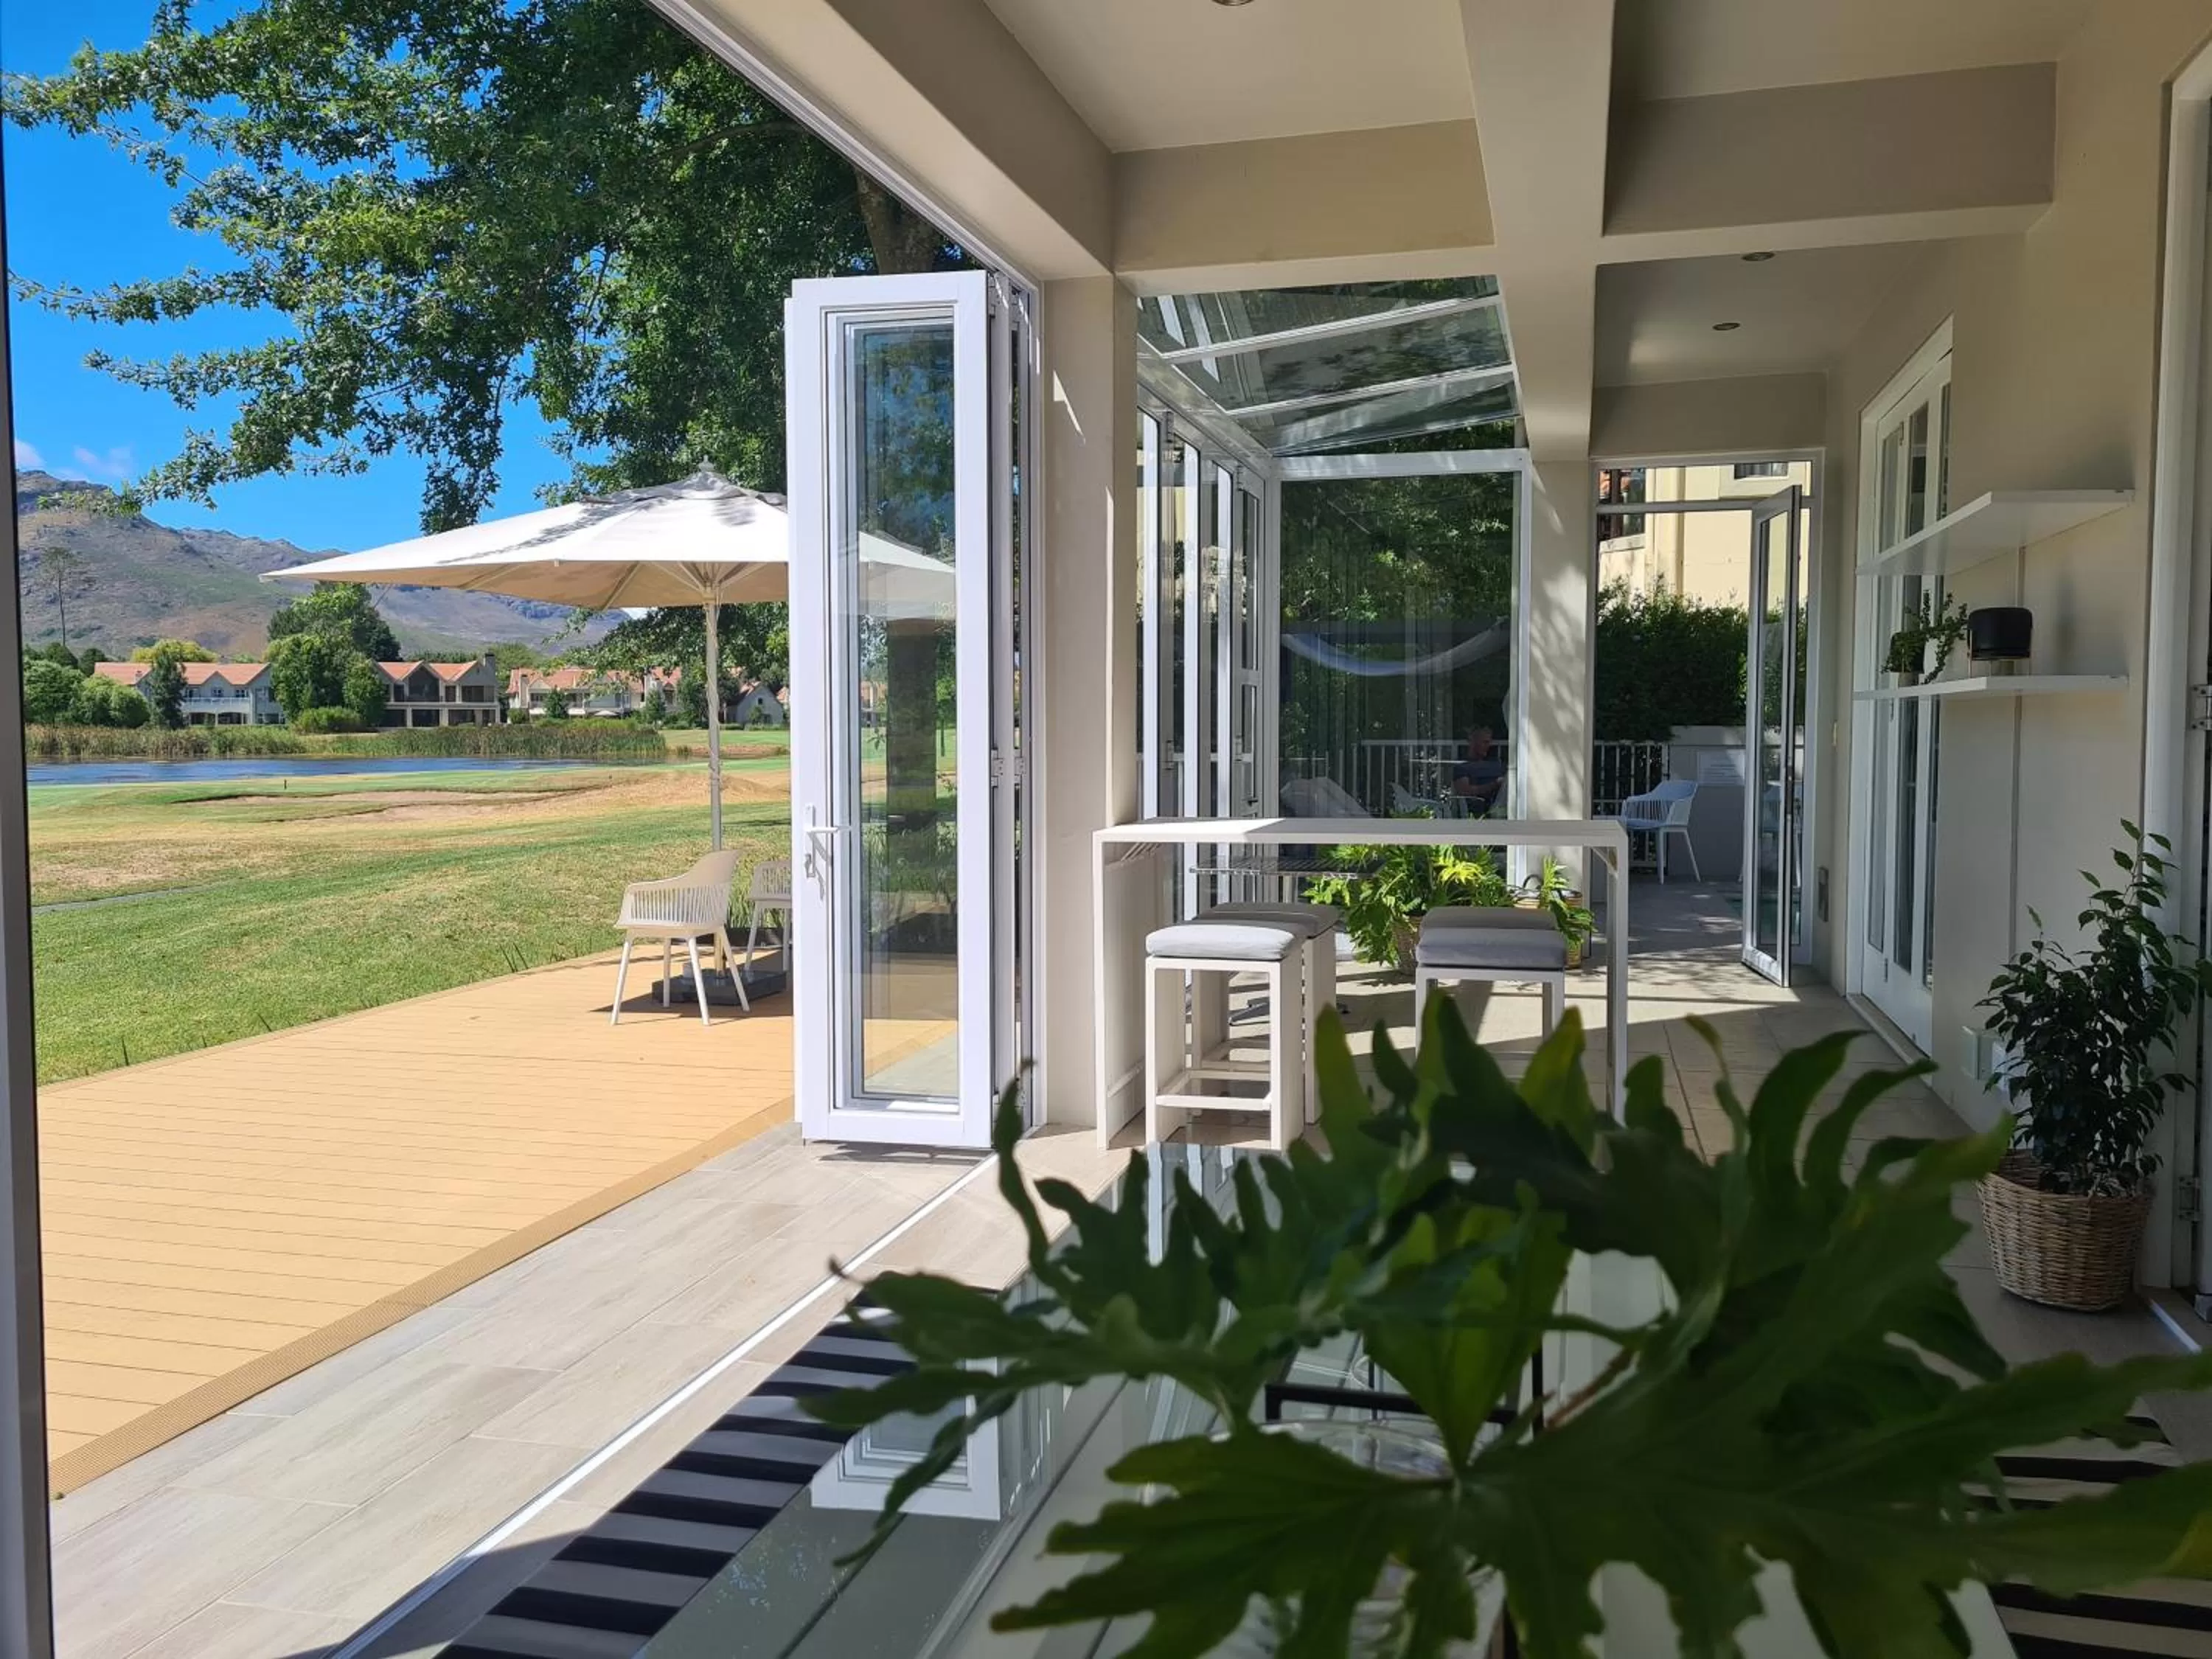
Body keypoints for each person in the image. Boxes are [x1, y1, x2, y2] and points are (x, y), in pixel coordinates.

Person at [1451, 724, 1506, 812]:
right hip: (1475, 813)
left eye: (1489, 742)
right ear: (1473, 742)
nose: (1488, 746)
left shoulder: (1495, 764)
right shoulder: (1462, 766)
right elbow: (1465, 792)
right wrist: (1495, 784)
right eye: (1485, 742)